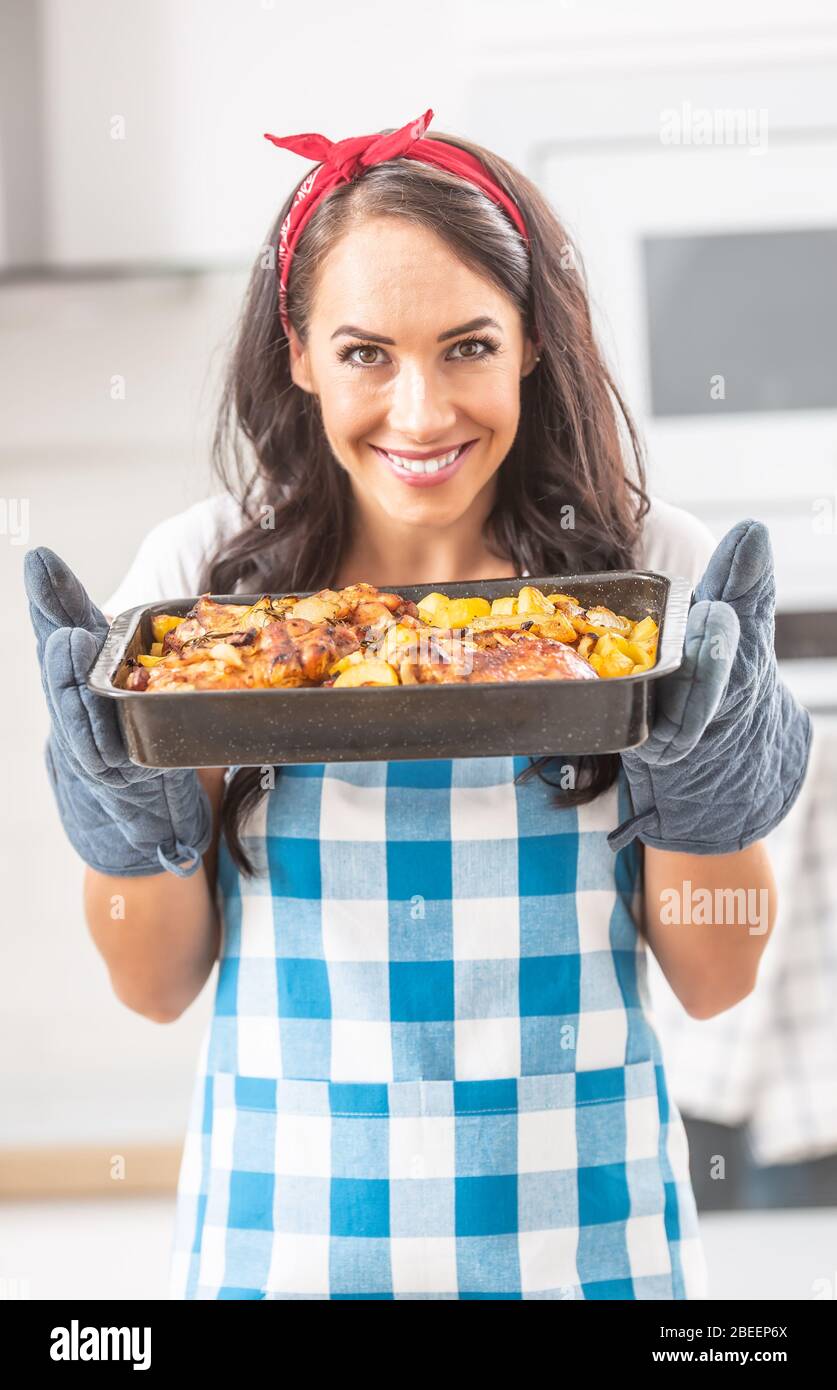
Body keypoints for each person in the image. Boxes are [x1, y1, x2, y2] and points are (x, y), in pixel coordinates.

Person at [23, 109, 811, 1300]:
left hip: (584, 1250)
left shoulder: (648, 578)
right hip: (285, 1246)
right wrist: (126, 811)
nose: (422, 411)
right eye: (365, 353)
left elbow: (715, 980)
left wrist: (704, 785)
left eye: (468, 346)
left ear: (533, 344)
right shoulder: (205, 592)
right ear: (297, 351)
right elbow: (154, 984)